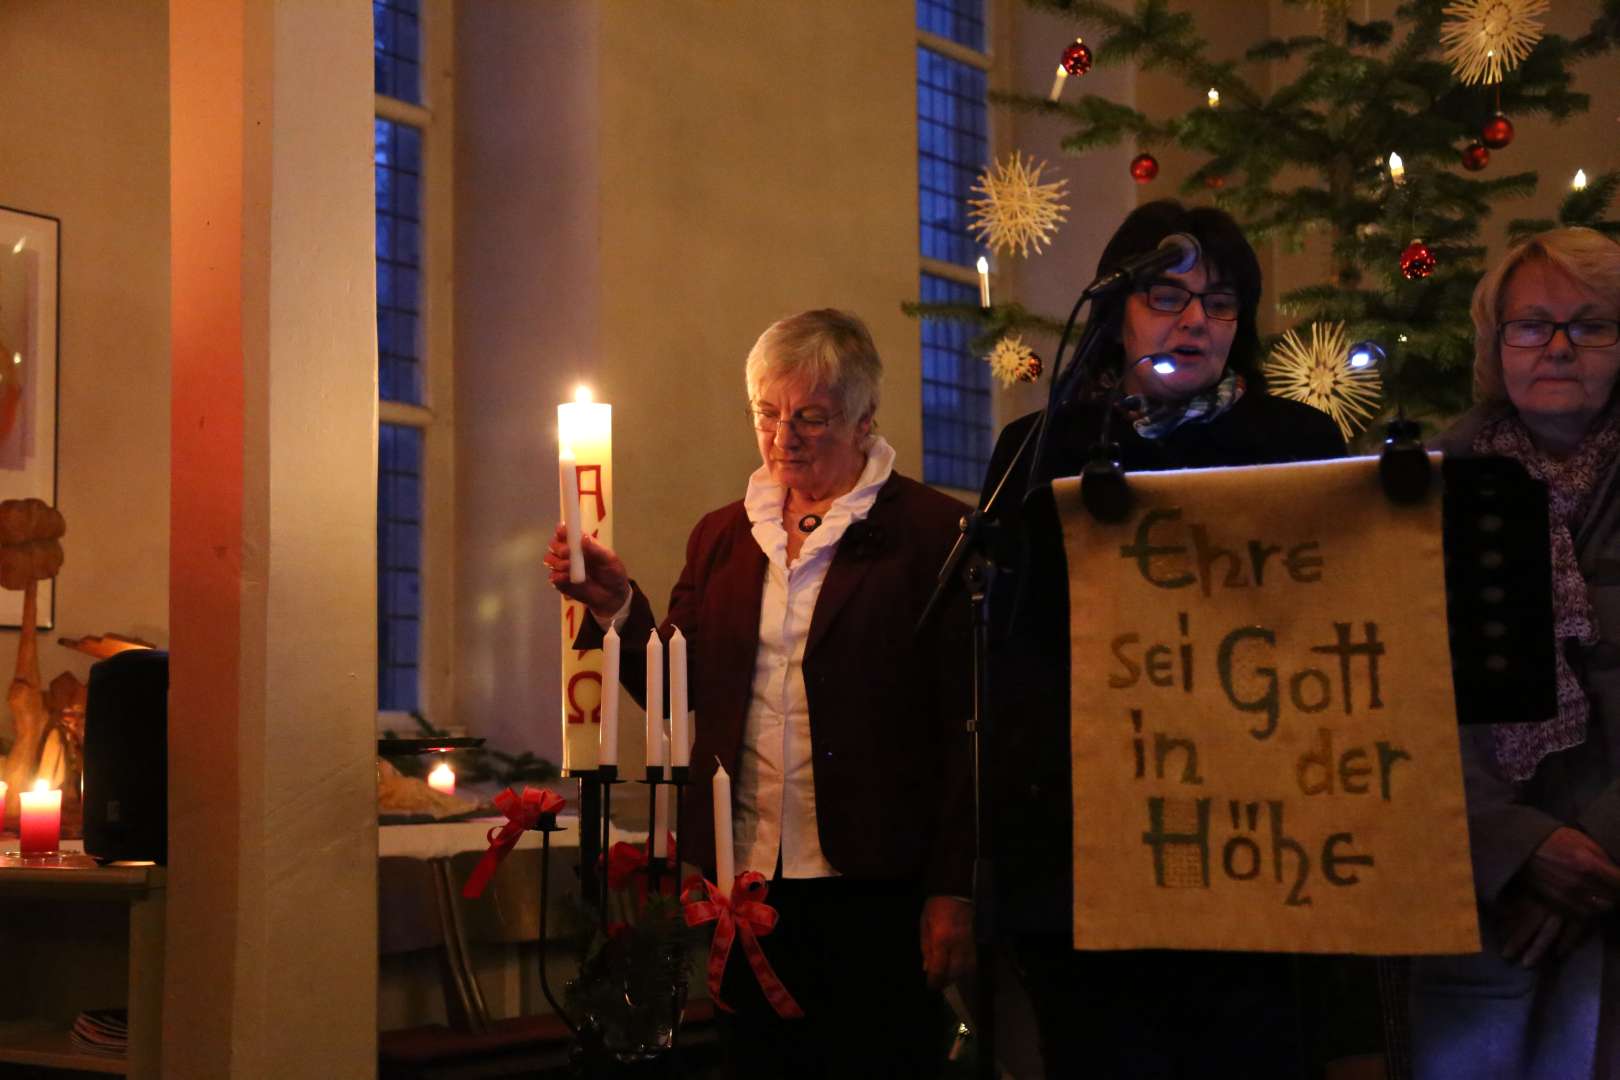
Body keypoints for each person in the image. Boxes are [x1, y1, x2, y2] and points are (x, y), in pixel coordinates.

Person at [980, 200, 1374, 1076]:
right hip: (1085, 860)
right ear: (1115, 309)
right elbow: (1010, 653)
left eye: (1222, 302)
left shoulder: (1296, 441)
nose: (1196, 319)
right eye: (1167, 295)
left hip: (1257, 853)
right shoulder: (1040, 447)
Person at [546, 308, 974, 1078]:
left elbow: (964, 729)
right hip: (746, 877)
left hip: (877, 883)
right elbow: (681, 689)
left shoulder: (933, 534)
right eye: (767, 415)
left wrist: (954, 889)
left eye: (810, 417)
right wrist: (617, 606)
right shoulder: (723, 537)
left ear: (865, 417)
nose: (783, 437)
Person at [1410, 227, 1620, 1079]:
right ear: (1496, 346)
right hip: (1480, 893)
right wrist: (1514, 846)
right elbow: (1401, 697)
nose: (1559, 346)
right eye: (1531, 325)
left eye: (1591, 324)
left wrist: (1596, 855)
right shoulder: (1429, 488)